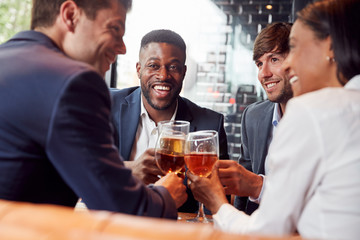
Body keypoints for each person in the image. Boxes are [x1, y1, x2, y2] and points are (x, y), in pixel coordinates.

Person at [187, 0, 360, 239]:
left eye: (295, 48)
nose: (289, 64)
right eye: (259, 63)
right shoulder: (257, 115)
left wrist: (217, 203)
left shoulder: (311, 111)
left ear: (329, 46)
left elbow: (266, 231)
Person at [0, 0, 187, 219]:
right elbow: (120, 207)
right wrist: (166, 196)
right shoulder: (74, 83)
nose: (122, 48)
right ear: (71, 15)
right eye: (115, 29)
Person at [110, 29, 229, 212]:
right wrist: (129, 172)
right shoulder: (107, 105)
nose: (163, 75)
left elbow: (217, 207)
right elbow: (79, 166)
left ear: (183, 72)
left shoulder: (210, 125)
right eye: (153, 65)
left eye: (173, 67)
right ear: (139, 69)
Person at [226, 22, 294, 215]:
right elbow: (243, 184)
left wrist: (257, 185)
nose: (264, 74)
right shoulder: (252, 116)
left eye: (274, 59)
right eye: (259, 64)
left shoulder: (323, 117)